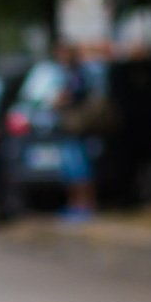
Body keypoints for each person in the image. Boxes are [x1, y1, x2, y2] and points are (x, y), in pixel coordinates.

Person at [53, 42, 99, 222]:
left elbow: (75, 95)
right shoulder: (68, 74)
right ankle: (75, 206)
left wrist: (60, 101)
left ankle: (85, 206)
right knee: (71, 171)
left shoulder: (78, 74)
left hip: (77, 129)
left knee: (80, 170)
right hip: (68, 129)